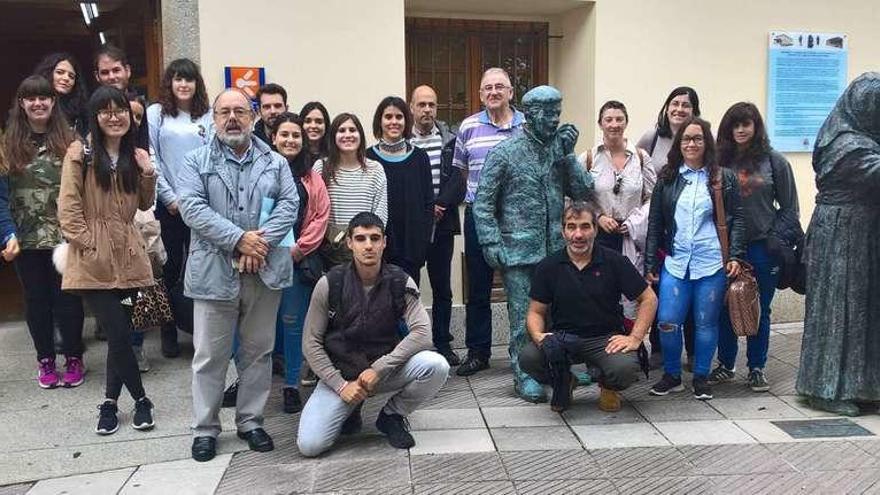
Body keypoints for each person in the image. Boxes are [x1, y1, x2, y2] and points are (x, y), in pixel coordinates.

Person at [177, 89, 298, 462]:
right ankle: (206, 429)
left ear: (254, 116)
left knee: (257, 353)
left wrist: (256, 245)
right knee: (210, 356)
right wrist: (238, 241)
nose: (232, 118)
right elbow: (192, 208)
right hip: (214, 272)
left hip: (263, 271)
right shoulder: (196, 161)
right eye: (224, 112)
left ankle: (250, 421)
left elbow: (289, 204)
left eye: (240, 112)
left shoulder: (276, 162)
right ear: (213, 118)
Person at [473, 85, 593, 402]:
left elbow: (582, 192)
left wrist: (569, 155)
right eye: (549, 113)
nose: (555, 119)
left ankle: (560, 368)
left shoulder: (560, 150)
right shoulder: (505, 152)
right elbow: (482, 204)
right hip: (518, 252)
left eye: (558, 112)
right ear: (533, 114)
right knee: (522, 319)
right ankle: (524, 373)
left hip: (556, 250)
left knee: (560, 315)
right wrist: (490, 241)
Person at [297, 212, 449, 457]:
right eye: (360, 238)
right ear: (349, 243)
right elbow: (310, 343)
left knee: (436, 365)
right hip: (342, 375)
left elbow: (422, 334)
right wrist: (340, 386)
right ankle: (351, 406)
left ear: (384, 242)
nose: (368, 245)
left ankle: (392, 416)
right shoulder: (330, 283)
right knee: (310, 445)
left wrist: (379, 368)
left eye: (375, 238)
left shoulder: (401, 281)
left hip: (384, 372)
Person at [58, 86, 158, 434]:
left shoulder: (134, 155)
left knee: (122, 335)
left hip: (130, 258)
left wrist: (147, 172)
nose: (114, 117)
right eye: (105, 110)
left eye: (121, 111)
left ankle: (110, 404)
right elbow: (68, 208)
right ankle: (143, 400)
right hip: (94, 262)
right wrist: (87, 244)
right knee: (117, 332)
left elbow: (144, 205)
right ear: (95, 116)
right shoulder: (79, 153)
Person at [520, 201, 657, 412]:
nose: (578, 234)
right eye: (571, 226)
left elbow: (649, 299)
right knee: (528, 358)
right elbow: (536, 311)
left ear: (595, 229)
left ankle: (607, 386)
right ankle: (564, 380)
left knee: (625, 369)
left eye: (585, 226)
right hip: (563, 338)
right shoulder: (549, 266)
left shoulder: (614, 261)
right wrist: (539, 335)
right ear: (563, 230)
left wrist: (635, 338)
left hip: (604, 339)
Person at [796, 72, 880, 416]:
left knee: (864, 311)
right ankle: (825, 389)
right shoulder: (846, 144)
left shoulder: (861, 136)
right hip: (841, 236)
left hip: (864, 234)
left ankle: (863, 384)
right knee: (838, 311)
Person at [645, 117, 745, 401]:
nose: (691, 144)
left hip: (711, 261)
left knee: (706, 323)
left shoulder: (722, 177)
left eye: (697, 139)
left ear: (706, 143)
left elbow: (737, 220)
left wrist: (735, 255)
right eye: (687, 139)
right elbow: (654, 224)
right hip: (676, 263)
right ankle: (672, 375)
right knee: (667, 320)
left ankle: (701, 376)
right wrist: (650, 264)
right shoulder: (668, 177)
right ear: (679, 143)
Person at [709, 102, 799, 392]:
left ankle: (757, 367)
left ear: (756, 127)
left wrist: (775, 237)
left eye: (746, 124)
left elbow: (790, 208)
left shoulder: (774, 161)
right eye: (735, 124)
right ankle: (726, 364)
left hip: (762, 247)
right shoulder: (719, 162)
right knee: (726, 306)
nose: (740, 130)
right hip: (726, 249)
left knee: (759, 308)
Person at [3, 75, 85, 390]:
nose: (38, 103)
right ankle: (46, 360)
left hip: (65, 238)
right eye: (31, 98)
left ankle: (74, 356)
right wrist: (6, 233)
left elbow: (84, 191)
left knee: (68, 300)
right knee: (37, 301)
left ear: (53, 102)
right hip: (25, 239)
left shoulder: (72, 142)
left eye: (44, 97)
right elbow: (0, 198)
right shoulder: (6, 145)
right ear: (21, 104)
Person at [453, 67, 525, 377]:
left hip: (518, 216)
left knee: (520, 285)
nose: (493, 92)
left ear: (511, 92)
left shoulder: (528, 125)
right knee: (479, 285)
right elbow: (463, 172)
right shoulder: (468, 127)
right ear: (481, 94)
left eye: (500, 87)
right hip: (478, 216)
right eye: (488, 88)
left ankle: (523, 351)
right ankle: (478, 351)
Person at [146, 58, 213, 362]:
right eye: (177, 79)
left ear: (197, 84)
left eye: (189, 79)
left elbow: (214, 157)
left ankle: (201, 331)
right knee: (170, 268)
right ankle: (168, 329)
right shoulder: (156, 114)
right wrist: (170, 198)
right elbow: (152, 158)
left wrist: (199, 202)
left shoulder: (209, 116)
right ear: (169, 83)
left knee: (201, 269)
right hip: (169, 206)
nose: (183, 85)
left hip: (202, 206)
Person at [637, 86, 702, 369]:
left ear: (694, 111)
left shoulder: (700, 139)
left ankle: (692, 351)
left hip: (692, 232)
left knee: (691, 293)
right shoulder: (652, 138)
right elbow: (635, 172)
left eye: (686, 105)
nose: (679, 109)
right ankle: (659, 349)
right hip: (659, 229)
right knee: (660, 289)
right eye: (674, 103)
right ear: (666, 107)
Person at [271, 112, 330, 413]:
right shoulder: (261, 172)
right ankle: (248, 381)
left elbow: (320, 218)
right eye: (285, 135)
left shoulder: (312, 177)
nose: (290, 140)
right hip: (262, 261)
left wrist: (296, 250)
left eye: (296, 135)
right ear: (274, 138)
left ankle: (292, 385)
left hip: (297, 262)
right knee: (259, 326)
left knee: (293, 325)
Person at [409, 85, 465, 366]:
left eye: (431, 105)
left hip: (443, 226)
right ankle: (414, 344)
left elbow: (459, 177)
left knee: (443, 288)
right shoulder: (405, 142)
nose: (427, 110)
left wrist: (440, 204)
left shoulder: (451, 141)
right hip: (413, 228)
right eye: (422, 105)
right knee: (411, 287)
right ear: (412, 108)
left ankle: (443, 342)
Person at [366, 96, 434, 285]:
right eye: (388, 117)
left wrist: (423, 244)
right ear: (380, 121)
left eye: (399, 117)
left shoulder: (420, 158)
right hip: (378, 248)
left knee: (408, 304)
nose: (394, 122)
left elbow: (428, 204)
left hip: (411, 248)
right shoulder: (368, 158)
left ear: (406, 121)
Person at [313, 113, 388, 266]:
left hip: (366, 250)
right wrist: (337, 238)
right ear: (333, 136)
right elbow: (315, 211)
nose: (347, 135)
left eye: (352, 130)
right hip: (330, 251)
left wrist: (366, 241)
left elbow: (381, 213)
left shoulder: (375, 169)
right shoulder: (321, 167)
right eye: (341, 130)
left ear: (360, 135)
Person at [93, 45, 149, 151]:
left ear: (127, 70)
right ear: (97, 76)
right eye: (105, 73)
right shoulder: (93, 105)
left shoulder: (138, 104)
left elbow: (143, 142)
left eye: (116, 70)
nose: (112, 77)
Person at [33, 53, 89, 136]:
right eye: (60, 72)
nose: (66, 78)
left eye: (71, 76)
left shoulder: (80, 111)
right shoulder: (33, 103)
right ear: (48, 73)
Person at [300, 101, 331, 168]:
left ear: (326, 125)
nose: (313, 126)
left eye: (319, 122)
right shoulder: (295, 154)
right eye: (308, 121)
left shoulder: (334, 154)